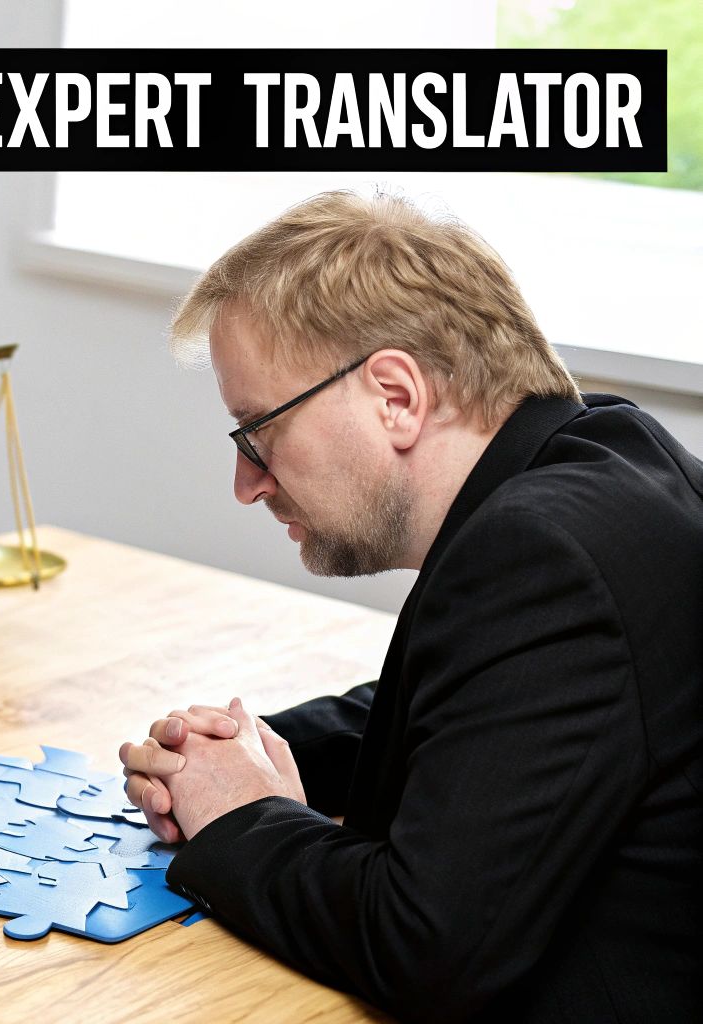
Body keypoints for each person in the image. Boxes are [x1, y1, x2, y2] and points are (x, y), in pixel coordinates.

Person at [117, 192, 703, 1020]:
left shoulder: (545, 556)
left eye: (257, 431)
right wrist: (260, 750)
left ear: (396, 395)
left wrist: (242, 816)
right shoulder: (605, 457)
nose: (247, 483)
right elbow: (483, 711)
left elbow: (424, 947)